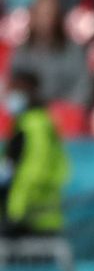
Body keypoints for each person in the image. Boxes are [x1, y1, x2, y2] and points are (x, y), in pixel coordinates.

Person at [0, 70, 70, 237]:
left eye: (17, 90)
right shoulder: (26, 124)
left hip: (32, 215)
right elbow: (11, 166)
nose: (10, 96)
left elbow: (35, 172)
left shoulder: (36, 126)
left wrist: (16, 212)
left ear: (31, 92)